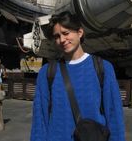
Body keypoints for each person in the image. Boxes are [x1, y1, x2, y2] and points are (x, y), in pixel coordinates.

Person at [30, 11, 125, 141]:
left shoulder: (103, 68)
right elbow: (39, 119)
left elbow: (114, 116)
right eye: (57, 36)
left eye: (66, 33)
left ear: (80, 33)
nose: (62, 40)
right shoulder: (47, 72)